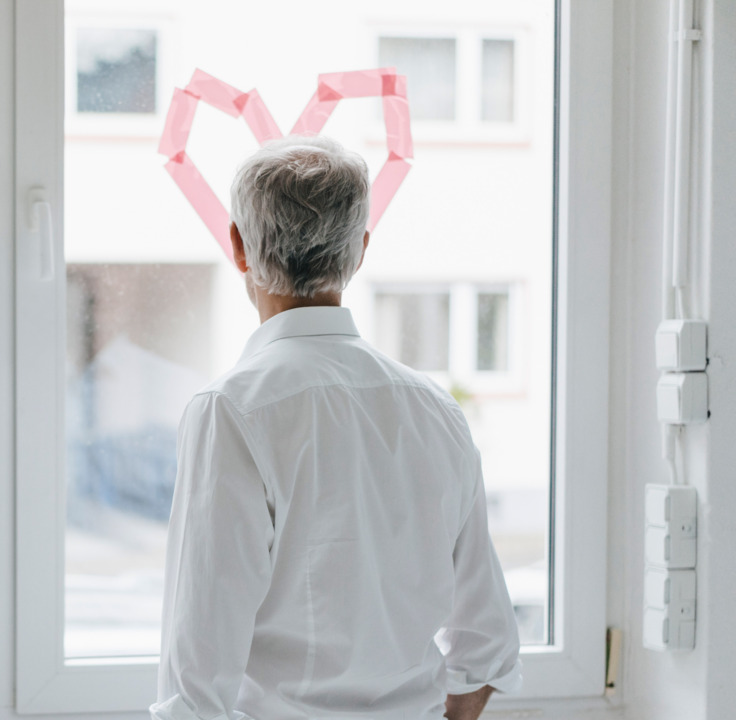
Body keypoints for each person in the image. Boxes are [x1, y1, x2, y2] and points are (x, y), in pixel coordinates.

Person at [151, 135, 521, 720]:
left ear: (238, 247)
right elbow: (487, 649)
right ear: (360, 251)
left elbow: (196, 686)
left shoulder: (230, 411)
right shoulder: (436, 411)